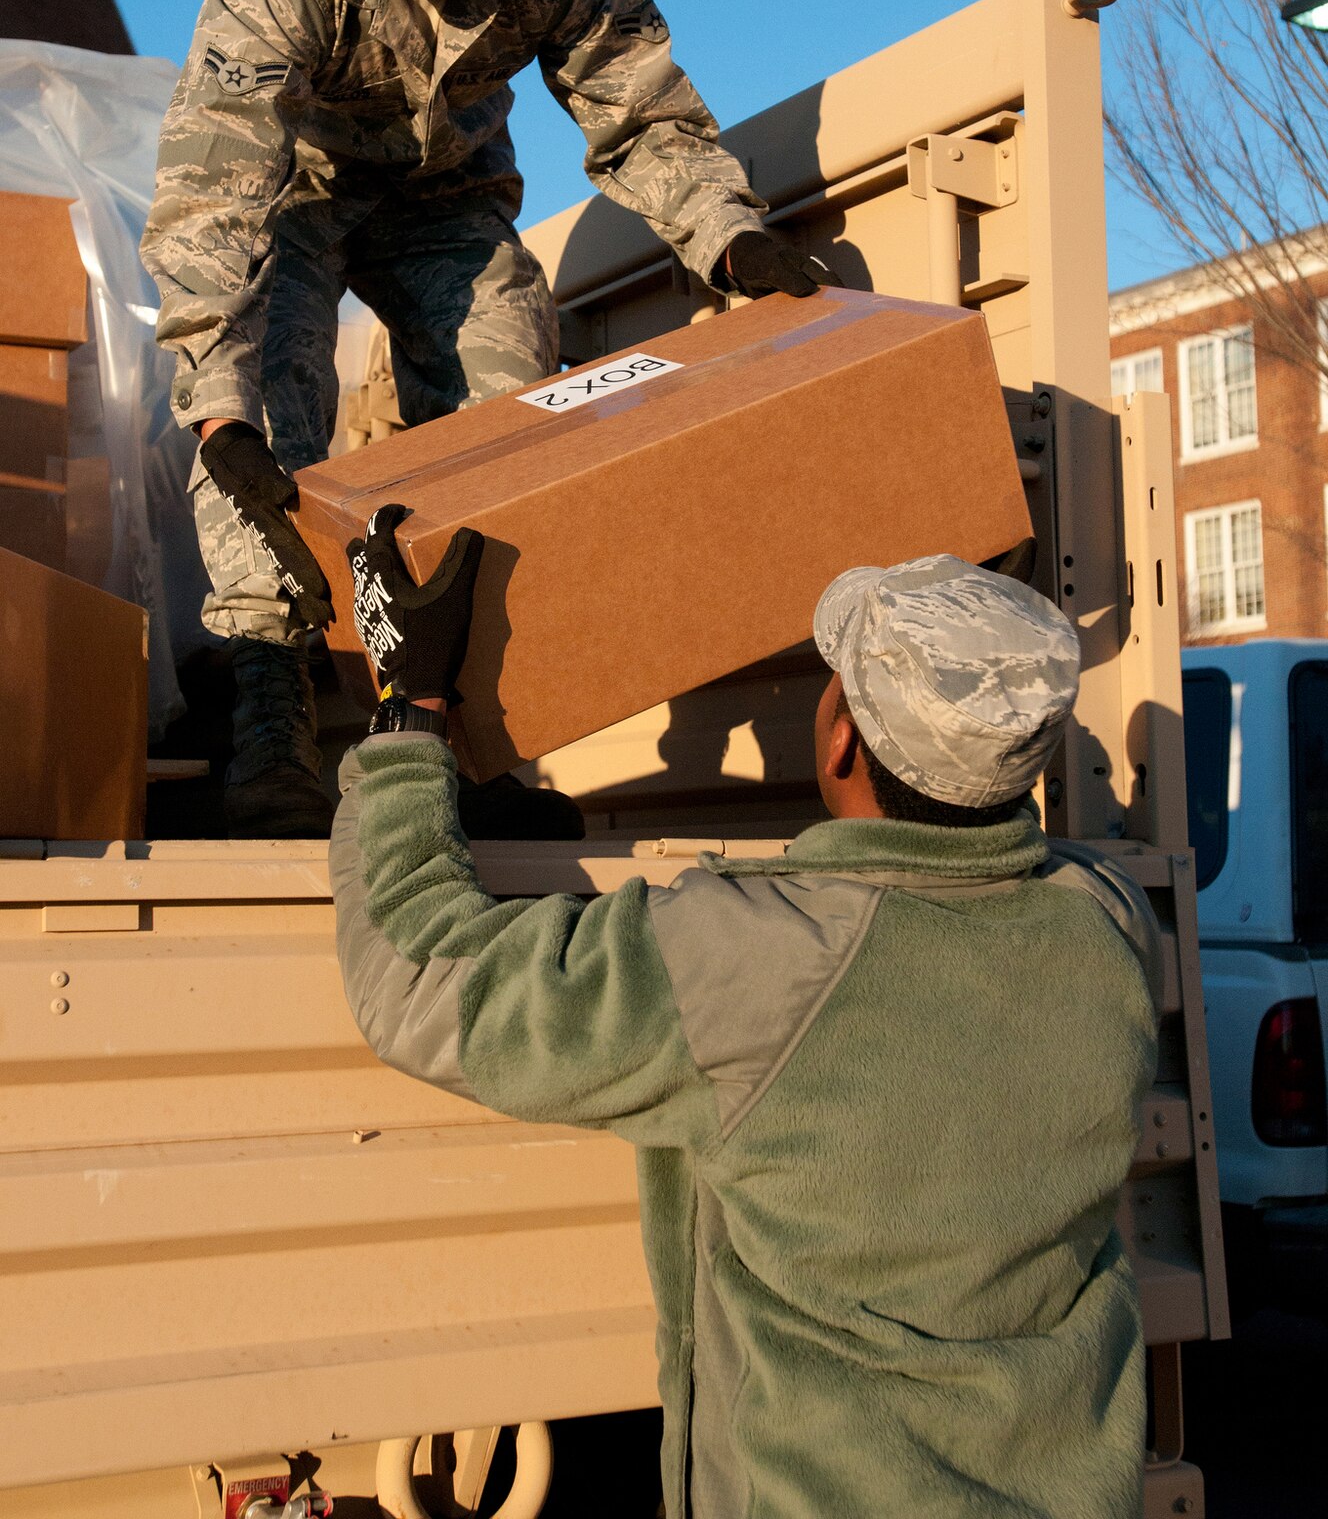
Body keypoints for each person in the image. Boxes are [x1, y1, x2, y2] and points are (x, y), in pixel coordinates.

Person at [330, 523, 1161, 1518]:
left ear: (841, 734)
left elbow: (419, 980)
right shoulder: (1106, 925)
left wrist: (408, 708)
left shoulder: (765, 961)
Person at [141, 0, 830, 836]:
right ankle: (267, 711)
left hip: (444, 203)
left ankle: (483, 739)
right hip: (295, 200)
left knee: (510, 409)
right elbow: (215, 202)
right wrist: (219, 410)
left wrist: (728, 239)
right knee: (263, 404)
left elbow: (640, 110)